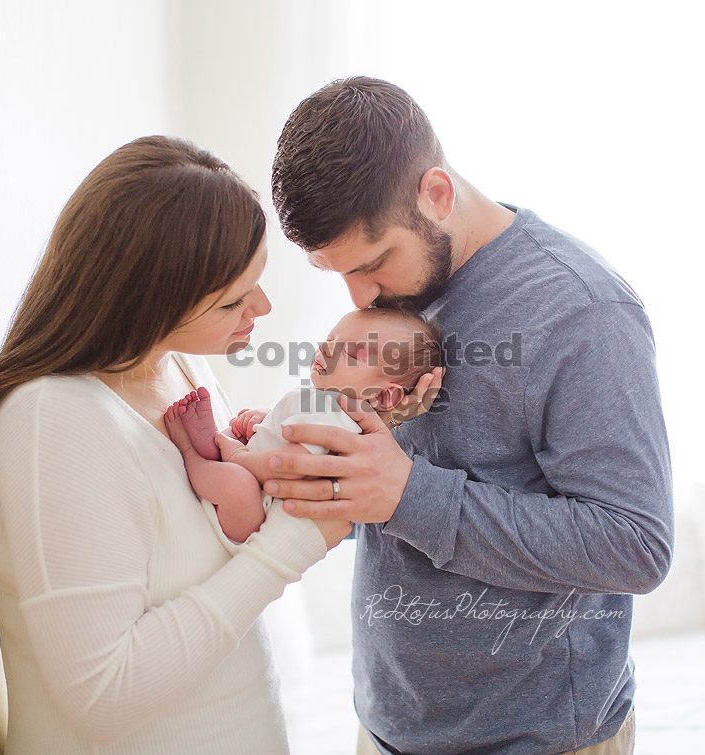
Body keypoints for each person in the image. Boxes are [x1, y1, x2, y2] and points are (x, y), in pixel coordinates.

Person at [267, 76, 673, 755]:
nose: (360, 294)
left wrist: (408, 494)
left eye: (372, 263)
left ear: (437, 193)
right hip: (385, 726)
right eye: (336, 274)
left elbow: (636, 543)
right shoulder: (400, 295)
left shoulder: (583, 312)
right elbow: (392, 503)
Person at [0, 135, 352, 754]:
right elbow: (103, 696)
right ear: (146, 300)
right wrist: (291, 547)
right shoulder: (53, 423)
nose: (264, 307)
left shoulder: (180, 370)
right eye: (233, 300)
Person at [164, 308, 443, 543]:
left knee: (237, 484)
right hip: (254, 477)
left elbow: (286, 468)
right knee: (236, 451)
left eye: (353, 354)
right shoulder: (323, 402)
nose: (327, 349)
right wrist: (265, 421)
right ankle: (214, 450)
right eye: (331, 339)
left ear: (383, 395)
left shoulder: (337, 418)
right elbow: (290, 433)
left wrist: (237, 454)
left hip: (254, 514)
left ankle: (193, 454)